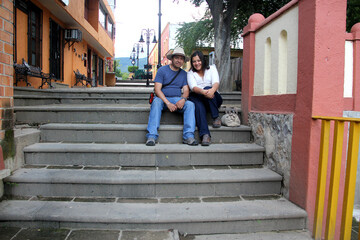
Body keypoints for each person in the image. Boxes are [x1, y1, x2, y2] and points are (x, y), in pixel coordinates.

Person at [145, 47, 198, 146]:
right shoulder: (162, 70)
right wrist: (168, 103)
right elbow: (157, 89)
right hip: (162, 99)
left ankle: (188, 136)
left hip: (177, 99)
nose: (179, 60)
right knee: (156, 102)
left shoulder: (184, 74)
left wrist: (183, 99)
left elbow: (186, 90)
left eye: (181, 58)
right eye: (177, 58)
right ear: (172, 59)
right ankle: (151, 136)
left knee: (190, 105)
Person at [187, 51, 223, 146]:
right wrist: (203, 92)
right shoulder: (190, 73)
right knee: (198, 106)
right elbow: (193, 87)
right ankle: (205, 135)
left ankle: (215, 117)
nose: (197, 63)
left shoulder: (212, 68)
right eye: (194, 61)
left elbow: (216, 82)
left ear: (203, 60)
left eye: (199, 60)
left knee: (208, 88)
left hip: (213, 97)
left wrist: (211, 91)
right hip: (198, 96)